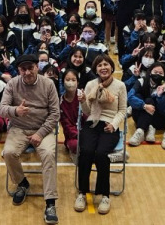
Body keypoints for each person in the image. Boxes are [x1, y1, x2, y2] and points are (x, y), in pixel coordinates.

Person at [0, 54, 61, 224]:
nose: (27, 72)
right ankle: (22, 183)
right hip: (19, 129)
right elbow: (1, 109)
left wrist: (40, 133)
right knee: (8, 152)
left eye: (30, 68)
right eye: (23, 69)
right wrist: (15, 111)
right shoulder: (12, 84)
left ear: (37, 67)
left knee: (49, 155)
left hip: (43, 129)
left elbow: (55, 113)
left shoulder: (48, 84)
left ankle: (50, 203)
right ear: (19, 70)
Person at [74, 55, 127, 215]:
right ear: (96, 69)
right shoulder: (91, 84)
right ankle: (82, 192)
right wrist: (82, 101)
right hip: (92, 123)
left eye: (106, 64)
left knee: (101, 154)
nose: (103, 67)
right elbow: (87, 111)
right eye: (99, 65)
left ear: (112, 67)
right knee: (86, 151)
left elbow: (122, 110)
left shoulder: (120, 86)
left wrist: (114, 124)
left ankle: (105, 195)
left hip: (109, 126)